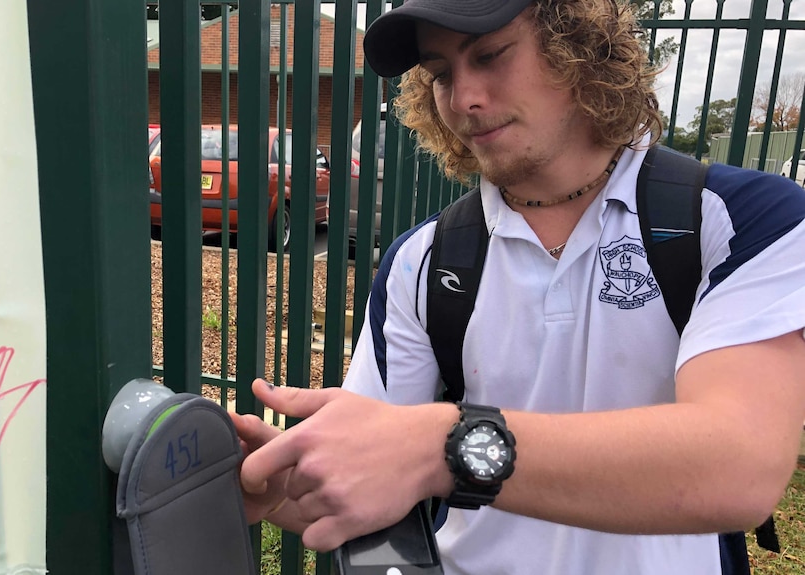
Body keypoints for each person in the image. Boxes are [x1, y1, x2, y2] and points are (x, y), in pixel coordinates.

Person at [229, 0, 805, 573]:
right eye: (441, 74)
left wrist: (442, 445)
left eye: (491, 55)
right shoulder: (421, 260)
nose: (464, 99)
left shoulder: (740, 220)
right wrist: (285, 486)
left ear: (579, 48)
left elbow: (737, 467)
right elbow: (376, 473)